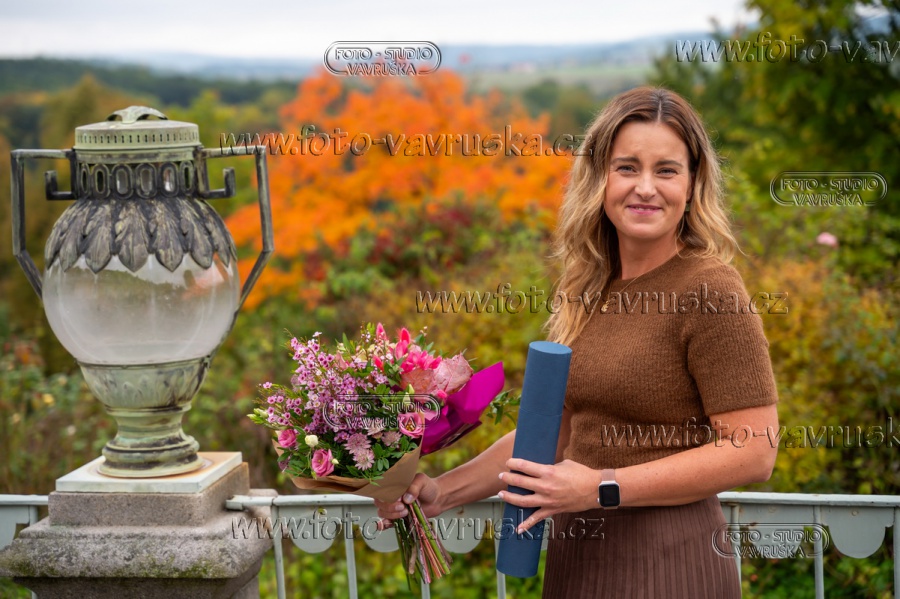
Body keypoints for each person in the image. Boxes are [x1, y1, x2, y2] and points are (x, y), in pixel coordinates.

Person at [375, 86, 779, 598]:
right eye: (627, 167)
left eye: (666, 170)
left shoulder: (711, 289)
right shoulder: (590, 288)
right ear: (599, 178)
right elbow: (556, 434)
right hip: (580, 565)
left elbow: (754, 451)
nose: (646, 187)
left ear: (692, 183)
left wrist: (601, 486)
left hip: (671, 564)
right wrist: (440, 492)